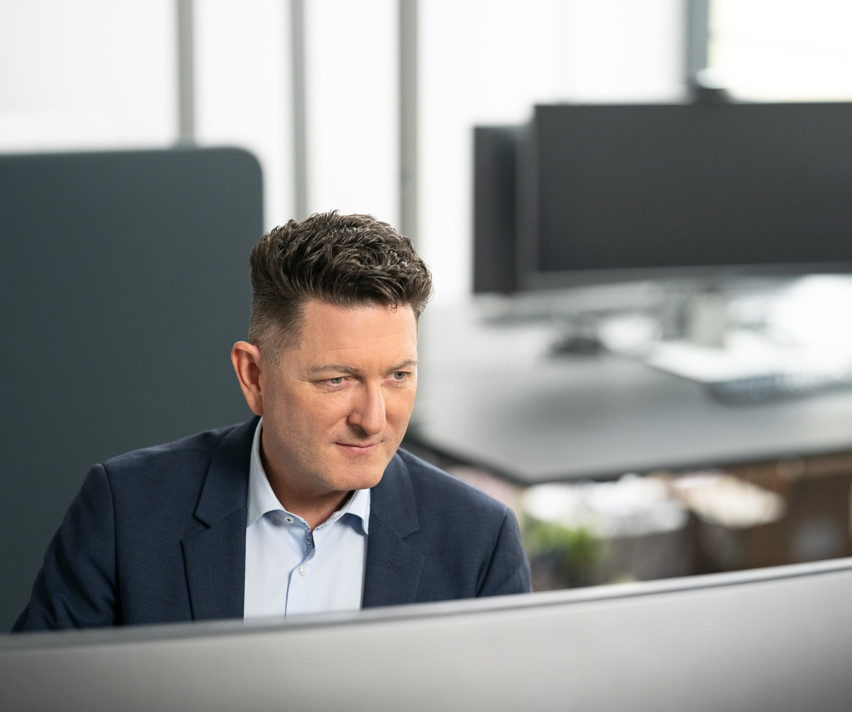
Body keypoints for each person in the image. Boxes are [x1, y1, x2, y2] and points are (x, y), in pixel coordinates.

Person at [12, 212, 531, 631]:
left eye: (398, 375)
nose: (373, 420)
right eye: (337, 380)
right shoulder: (124, 511)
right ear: (254, 376)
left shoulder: (479, 541)